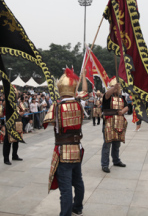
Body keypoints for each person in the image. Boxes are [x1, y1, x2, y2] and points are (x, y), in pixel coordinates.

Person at [43, 68, 88, 216]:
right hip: (77, 148)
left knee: (66, 187)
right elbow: (85, 93)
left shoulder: (56, 106)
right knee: (78, 180)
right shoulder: (79, 104)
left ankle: (66, 214)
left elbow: (49, 123)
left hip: (63, 150)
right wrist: (83, 77)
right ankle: (78, 207)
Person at [101, 77, 128, 173]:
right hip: (109, 122)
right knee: (107, 144)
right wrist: (113, 88)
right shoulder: (107, 96)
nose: (116, 89)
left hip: (119, 122)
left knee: (117, 144)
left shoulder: (122, 97)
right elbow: (108, 94)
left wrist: (123, 111)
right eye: (114, 87)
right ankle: (104, 164)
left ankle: (116, 160)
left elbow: (127, 106)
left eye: (117, 87)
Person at [3, 100, 23, 165]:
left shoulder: (17, 102)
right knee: (8, 141)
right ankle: (6, 158)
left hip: (17, 123)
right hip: (10, 123)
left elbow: (22, 111)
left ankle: (15, 155)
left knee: (16, 140)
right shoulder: (8, 101)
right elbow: (4, 104)